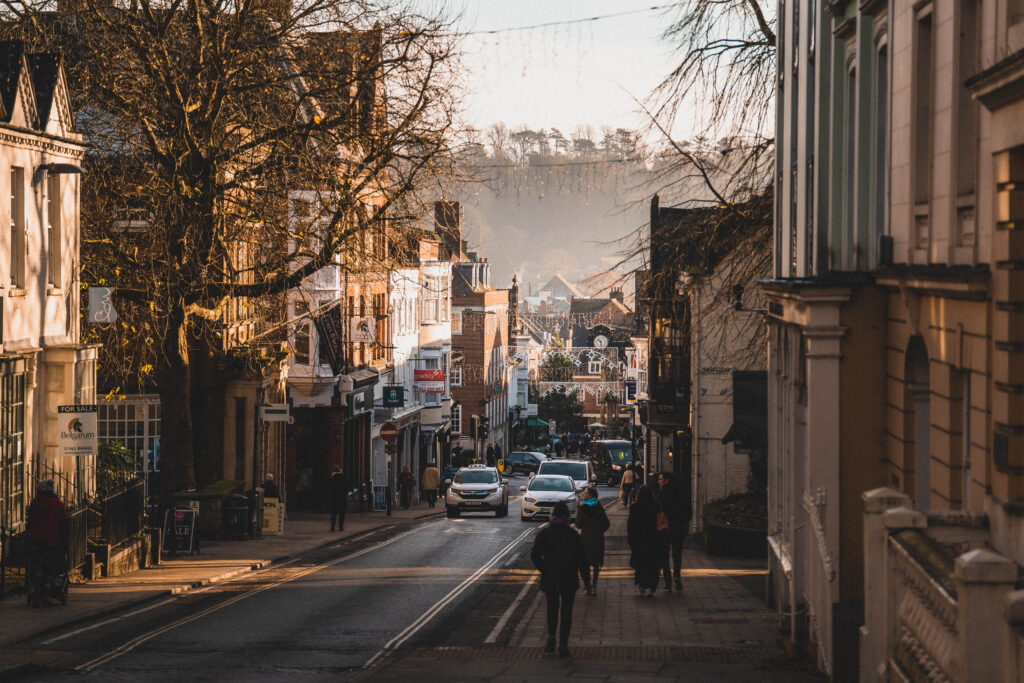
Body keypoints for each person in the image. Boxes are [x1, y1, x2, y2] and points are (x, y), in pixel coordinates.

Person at [531, 501, 590, 656]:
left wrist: (544, 569)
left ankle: (551, 638)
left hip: (551, 577)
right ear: (567, 516)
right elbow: (582, 560)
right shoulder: (573, 535)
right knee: (566, 612)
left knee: (552, 609)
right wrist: (587, 581)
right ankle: (563, 645)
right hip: (569, 578)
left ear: (553, 515)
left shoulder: (545, 533)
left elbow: (535, 555)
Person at [26, 479, 68, 607]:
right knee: (49, 567)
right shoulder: (58, 504)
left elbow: (30, 520)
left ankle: (37, 592)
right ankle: (45, 594)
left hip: (35, 540)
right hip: (51, 540)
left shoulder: (34, 503)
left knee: (36, 566)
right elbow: (63, 523)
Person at [655, 471, 691, 592]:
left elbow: (657, 512)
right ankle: (677, 576)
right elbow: (688, 512)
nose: (658, 481)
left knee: (664, 556)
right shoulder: (682, 494)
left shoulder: (662, 495)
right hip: (678, 528)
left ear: (667, 480)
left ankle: (668, 582)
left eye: (660, 479)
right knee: (677, 554)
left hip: (664, 529)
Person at [627, 486, 666, 598]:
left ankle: (641, 585)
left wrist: (631, 540)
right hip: (653, 539)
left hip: (639, 540)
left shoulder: (635, 508)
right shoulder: (656, 506)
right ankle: (650, 587)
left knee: (640, 565)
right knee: (652, 565)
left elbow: (630, 525)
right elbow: (660, 523)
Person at [574, 486, 610, 596]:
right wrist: (598, 530)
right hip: (598, 539)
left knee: (585, 564)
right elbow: (606, 524)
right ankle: (593, 586)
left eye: (585, 493)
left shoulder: (583, 508)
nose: (583, 495)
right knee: (595, 564)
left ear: (590, 496)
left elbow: (578, 525)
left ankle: (587, 585)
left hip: (585, 540)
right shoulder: (599, 508)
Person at [328, 465, 348, 531]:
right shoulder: (343, 478)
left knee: (333, 513)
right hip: (342, 498)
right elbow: (346, 488)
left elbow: (328, 488)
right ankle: (341, 527)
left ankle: (332, 527)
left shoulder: (331, 479)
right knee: (341, 514)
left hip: (333, 498)